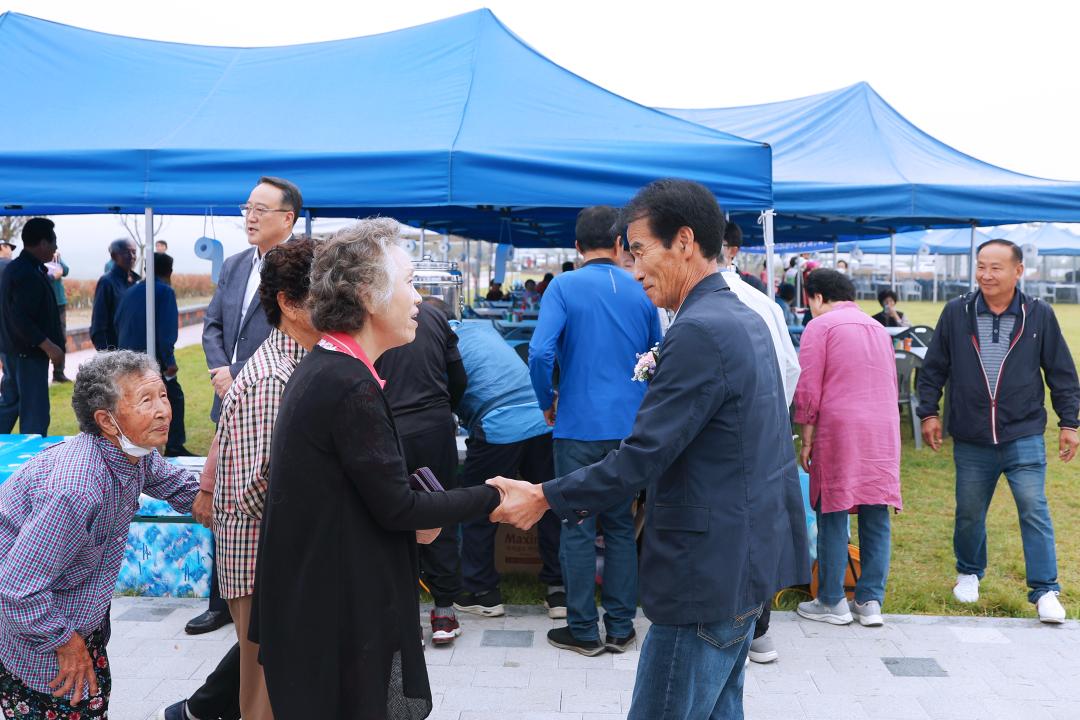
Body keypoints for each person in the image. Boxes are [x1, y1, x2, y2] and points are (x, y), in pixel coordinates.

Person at [491, 179, 809, 720]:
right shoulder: (743, 315)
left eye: (639, 250)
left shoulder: (702, 329)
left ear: (683, 241)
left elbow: (642, 456)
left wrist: (544, 495)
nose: (633, 269)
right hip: (742, 559)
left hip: (706, 572)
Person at [251, 219, 502, 719]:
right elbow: (397, 506)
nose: (418, 298)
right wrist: (494, 496)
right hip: (334, 621)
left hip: (325, 608)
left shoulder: (333, 367)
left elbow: (359, 499)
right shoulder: (345, 381)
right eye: (410, 282)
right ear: (367, 294)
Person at [0, 351, 199, 718]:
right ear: (107, 421)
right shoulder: (77, 489)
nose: (163, 411)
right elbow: (17, 589)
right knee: (63, 699)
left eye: (163, 396)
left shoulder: (133, 452)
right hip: (39, 630)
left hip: (78, 614)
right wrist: (65, 642)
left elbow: (184, 489)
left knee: (91, 700)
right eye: (146, 400)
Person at [917, 239, 1079, 624]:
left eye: (996, 267)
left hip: (1023, 433)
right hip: (972, 436)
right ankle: (969, 572)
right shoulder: (957, 312)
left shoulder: (1039, 315)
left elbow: (1061, 373)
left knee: (1034, 509)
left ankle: (1045, 590)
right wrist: (928, 413)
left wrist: (1070, 422)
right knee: (970, 513)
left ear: (1018, 271)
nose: (986, 274)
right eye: (981, 266)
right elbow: (934, 367)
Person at [528, 205, 661, 656]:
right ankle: (621, 627)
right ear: (622, 244)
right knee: (622, 525)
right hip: (629, 428)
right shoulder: (642, 288)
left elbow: (540, 352)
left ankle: (583, 630)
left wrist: (548, 401)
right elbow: (656, 358)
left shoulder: (563, 286)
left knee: (577, 526)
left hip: (577, 426)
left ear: (577, 247)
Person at [201, 238, 319, 720]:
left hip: (277, 560)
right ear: (290, 305)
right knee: (264, 700)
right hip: (259, 565)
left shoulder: (299, 362)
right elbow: (256, 490)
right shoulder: (273, 378)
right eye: (325, 294)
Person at [192, 175, 302, 636]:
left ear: (288, 218)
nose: (250, 217)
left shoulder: (304, 265)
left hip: (271, 395)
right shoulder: (236, 264)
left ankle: (266, 593)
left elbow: (294, 332)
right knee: (224, 495)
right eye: (247, 208)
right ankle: (221, 598)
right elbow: (212, 324)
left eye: (261, 209)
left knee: (261, 494)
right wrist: (221, 372)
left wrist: (236, 373)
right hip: (229, 395)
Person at [436, 302, 565, 620]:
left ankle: (483, 592)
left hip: (498, 425)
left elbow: (446, 393)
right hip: (540, 419)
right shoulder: (481, 328)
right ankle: (559, 590)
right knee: (548, 503)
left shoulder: (437, 341)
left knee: (480, 505)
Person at [793, 269, 902, 627]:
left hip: (838, 427)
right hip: (883, 428)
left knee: (832, 508)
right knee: (876, 509)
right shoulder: (878, 328)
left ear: (818, 298)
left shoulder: (819, 327)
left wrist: (805, 438)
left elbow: (808, 389)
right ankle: (870, 601)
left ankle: (831, 600)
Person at [719, 223, 802, 664]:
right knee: (757, 524)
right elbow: (789, 369)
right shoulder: (763, 303)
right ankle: (757, 629)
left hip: (739, 435)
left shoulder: (750, 302)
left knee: (740, 525)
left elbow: (788, 368)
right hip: (763, 431)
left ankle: (751, 626)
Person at [375, 295, 469, 646]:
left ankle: (404, 619)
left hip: (389, 428)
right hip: (433, 428)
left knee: (394, 519)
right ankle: (444, 612)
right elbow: (458, 377)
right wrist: (446, 411)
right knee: (439, 510)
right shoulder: (434, 316)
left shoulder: (371, 314)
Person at [115, 252, 190, 456]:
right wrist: (169, 361)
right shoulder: (164, 292)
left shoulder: (130, 292)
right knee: (172, 397)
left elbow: (117, 323)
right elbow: (167, 332)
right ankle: (174, 445)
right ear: (169, 271)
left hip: (125, 360)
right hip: (150, 362)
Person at [0, 218, 64, 436]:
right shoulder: (25, 272)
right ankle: (35, 465)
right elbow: (20, 318)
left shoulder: (28, 269)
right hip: (27, 354)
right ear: (43, 243)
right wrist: (48, 346)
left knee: (9, 406)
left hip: (16, 352)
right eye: (54, 241)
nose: (56, 247)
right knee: (34, 416)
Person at [90, 239, 139, 350]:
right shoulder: (107, 282)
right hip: (116, 352)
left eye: (134, 252)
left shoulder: (136, 282)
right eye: (127, 252)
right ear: (114, 256)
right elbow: (98, 325)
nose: (132, 256)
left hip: (135, 351)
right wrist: (107, 357)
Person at [720, 222, 767, 293]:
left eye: (718, 246)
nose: (711, 250)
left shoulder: (753, 286)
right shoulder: (702, 283)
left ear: (733, 251)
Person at [46, 250, 72, 382]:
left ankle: (59, 373)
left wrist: (59, 259)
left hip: (60, 304)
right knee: (46, 338)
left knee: (61, 338)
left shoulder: (57, 260)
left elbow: (66, 271)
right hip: (45, 304)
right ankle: (43, 374)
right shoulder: (39, 260)